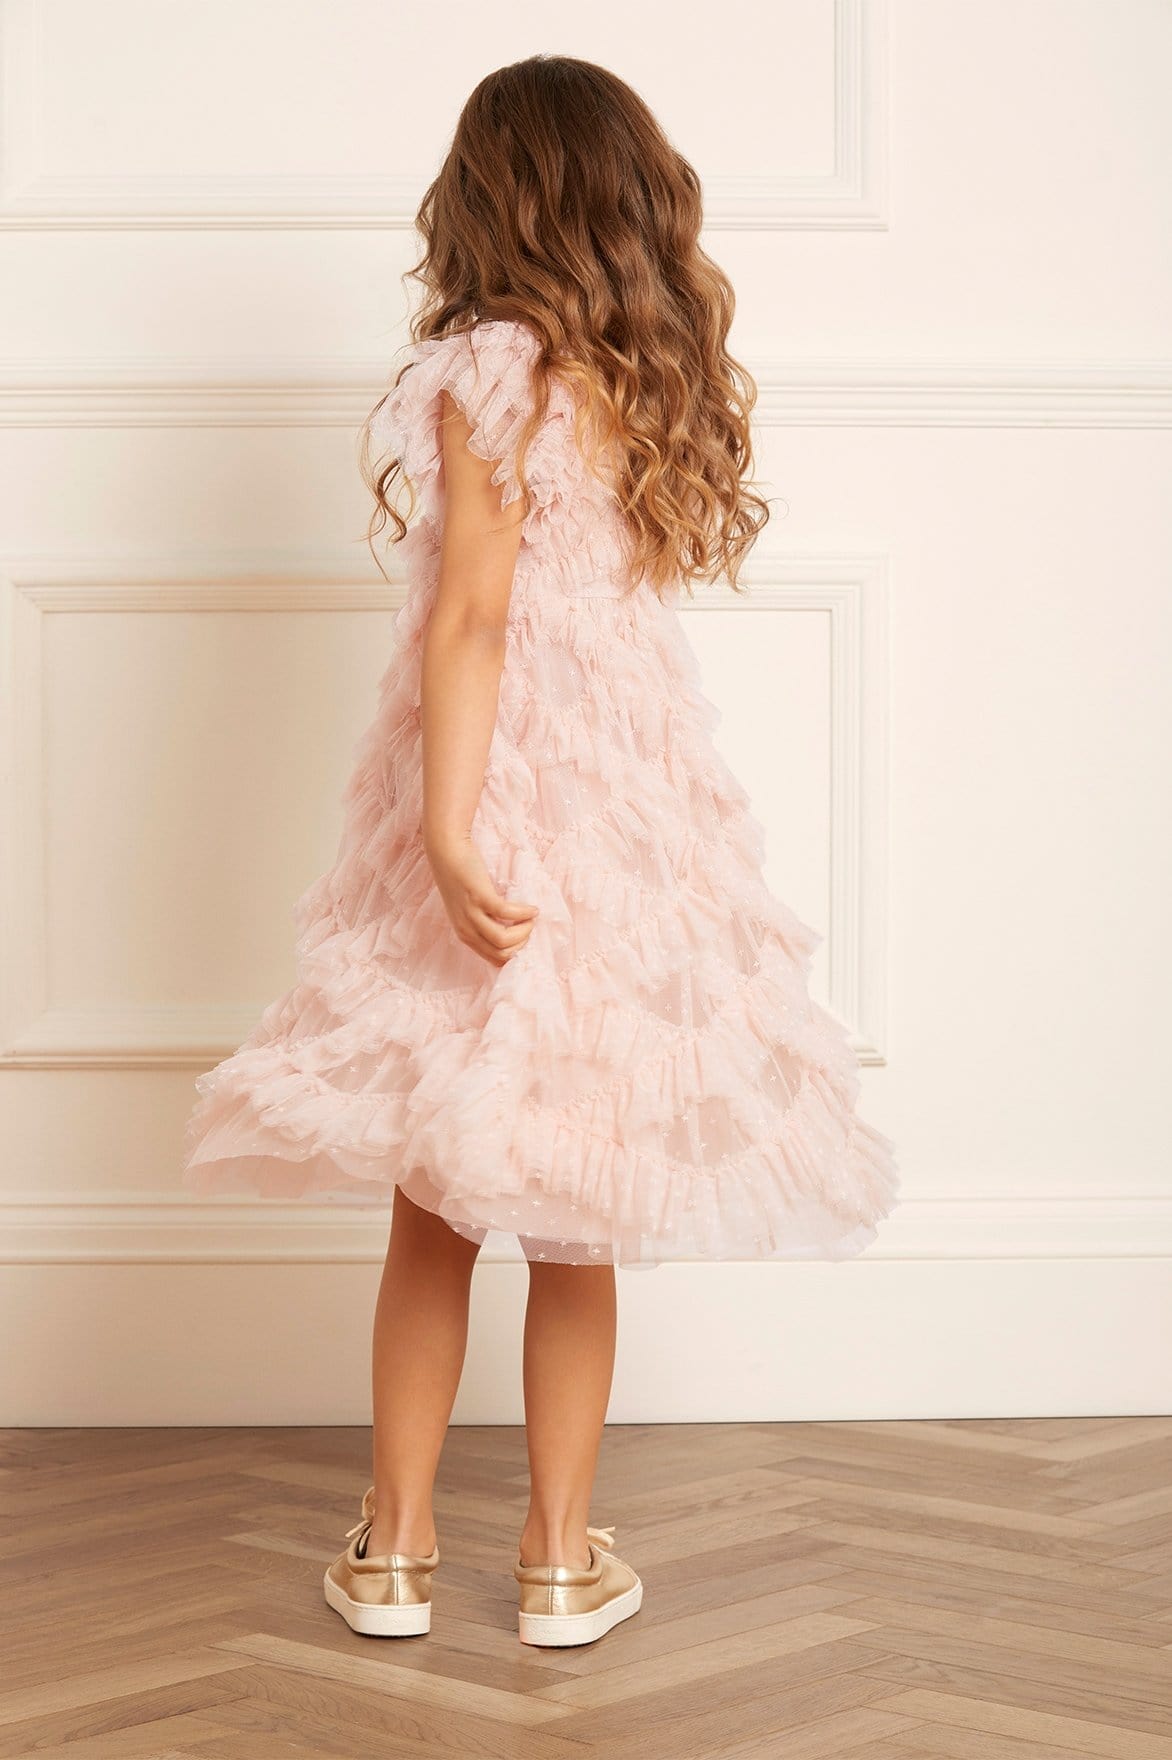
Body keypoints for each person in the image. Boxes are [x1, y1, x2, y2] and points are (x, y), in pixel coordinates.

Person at [181, 53, 900, 1649]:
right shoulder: (640, 372)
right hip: (625, 818)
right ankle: (562, 1562)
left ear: (488, 199)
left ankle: (395, 1550)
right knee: (582, 1194)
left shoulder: (487, 372)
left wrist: (445, 829)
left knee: (437, 1198)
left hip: (496, 800)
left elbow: (476, 616)